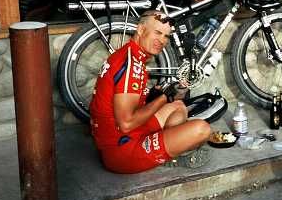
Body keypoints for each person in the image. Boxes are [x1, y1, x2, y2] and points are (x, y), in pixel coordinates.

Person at [90, 10, 211, 174]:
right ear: (140, 30)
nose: (162, 40)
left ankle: (165, 147)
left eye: (166, 36)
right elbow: (126, 124)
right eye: (158, 33)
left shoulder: (131, 55)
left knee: (178, 106)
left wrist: (155, 95)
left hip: (122, 137)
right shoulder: (131, 66)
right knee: (201, 129)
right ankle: (167, 152)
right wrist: (163, 97)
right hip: (121, 151)